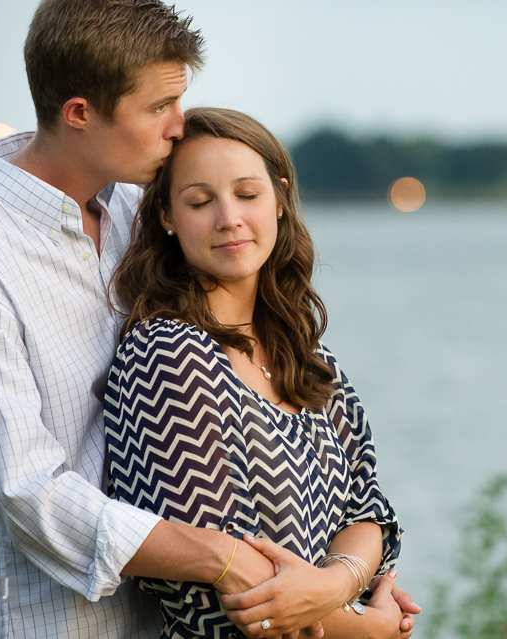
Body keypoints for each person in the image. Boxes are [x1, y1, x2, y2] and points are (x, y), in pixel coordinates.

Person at [0, 1, 419, 637]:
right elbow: (25, 493)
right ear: (80, 113)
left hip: (151, 621)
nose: (178, 127)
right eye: (158, 108)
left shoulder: (131, 212)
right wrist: (235, 566)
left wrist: (339, 582)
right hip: (36, 620)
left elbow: (357, 491)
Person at [104, 107, 414, 639]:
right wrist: (374, 626)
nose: (229, 217)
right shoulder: (167, 354)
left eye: (248, 194)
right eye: (200, 201)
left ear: (279, 198)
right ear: (167, 217)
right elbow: (219, 600)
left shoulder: (309, 356)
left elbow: (371, 514)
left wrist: (335, 586)